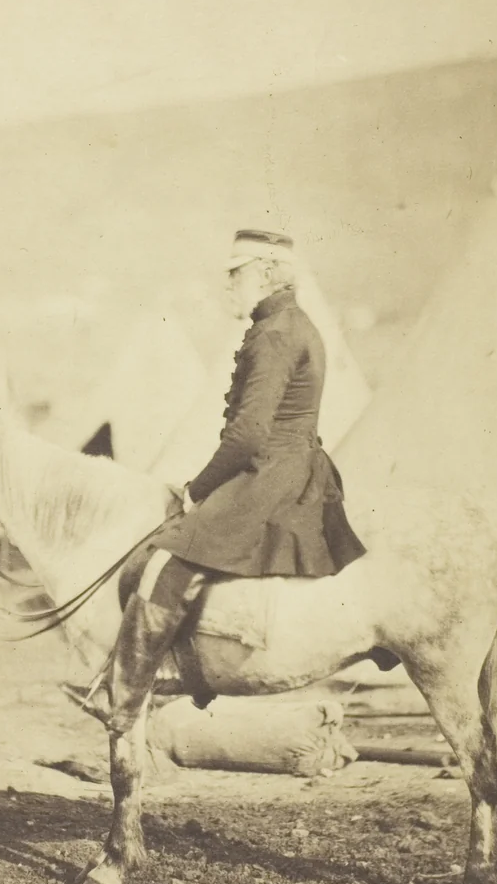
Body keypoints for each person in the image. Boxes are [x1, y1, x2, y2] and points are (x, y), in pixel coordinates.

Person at [105, 230, 367, 734]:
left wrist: (197, 487)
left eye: (236, 273)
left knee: (167, 558)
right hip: (295, 465)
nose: (227, 285)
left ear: (267, 273)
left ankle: (136, 684)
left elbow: (248, 434)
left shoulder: (273, 334)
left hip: (271, 473)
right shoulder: (290, 323)